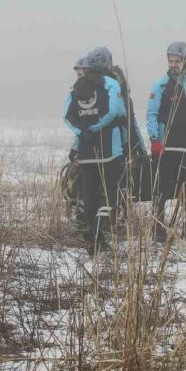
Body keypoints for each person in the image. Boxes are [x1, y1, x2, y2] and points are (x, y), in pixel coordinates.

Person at [64, 47, 127, 254]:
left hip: (85, 152)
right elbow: (116, 112)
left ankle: (93, 240)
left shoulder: (77, 86)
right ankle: (98, 234)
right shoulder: (112, 84)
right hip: (109, 151)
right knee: (110, 197)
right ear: (108, 64)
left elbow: (66, 115)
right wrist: (96, 128)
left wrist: (82, 132)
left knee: (89, 198)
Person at [146, 41, 186, 245]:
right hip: (167, 147)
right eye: (171, 61)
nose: (174, 64)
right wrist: (155, 139)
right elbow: (152, 114)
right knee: (162, 189)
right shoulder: (160, 86)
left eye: (177, 61)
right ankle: (158, 228)